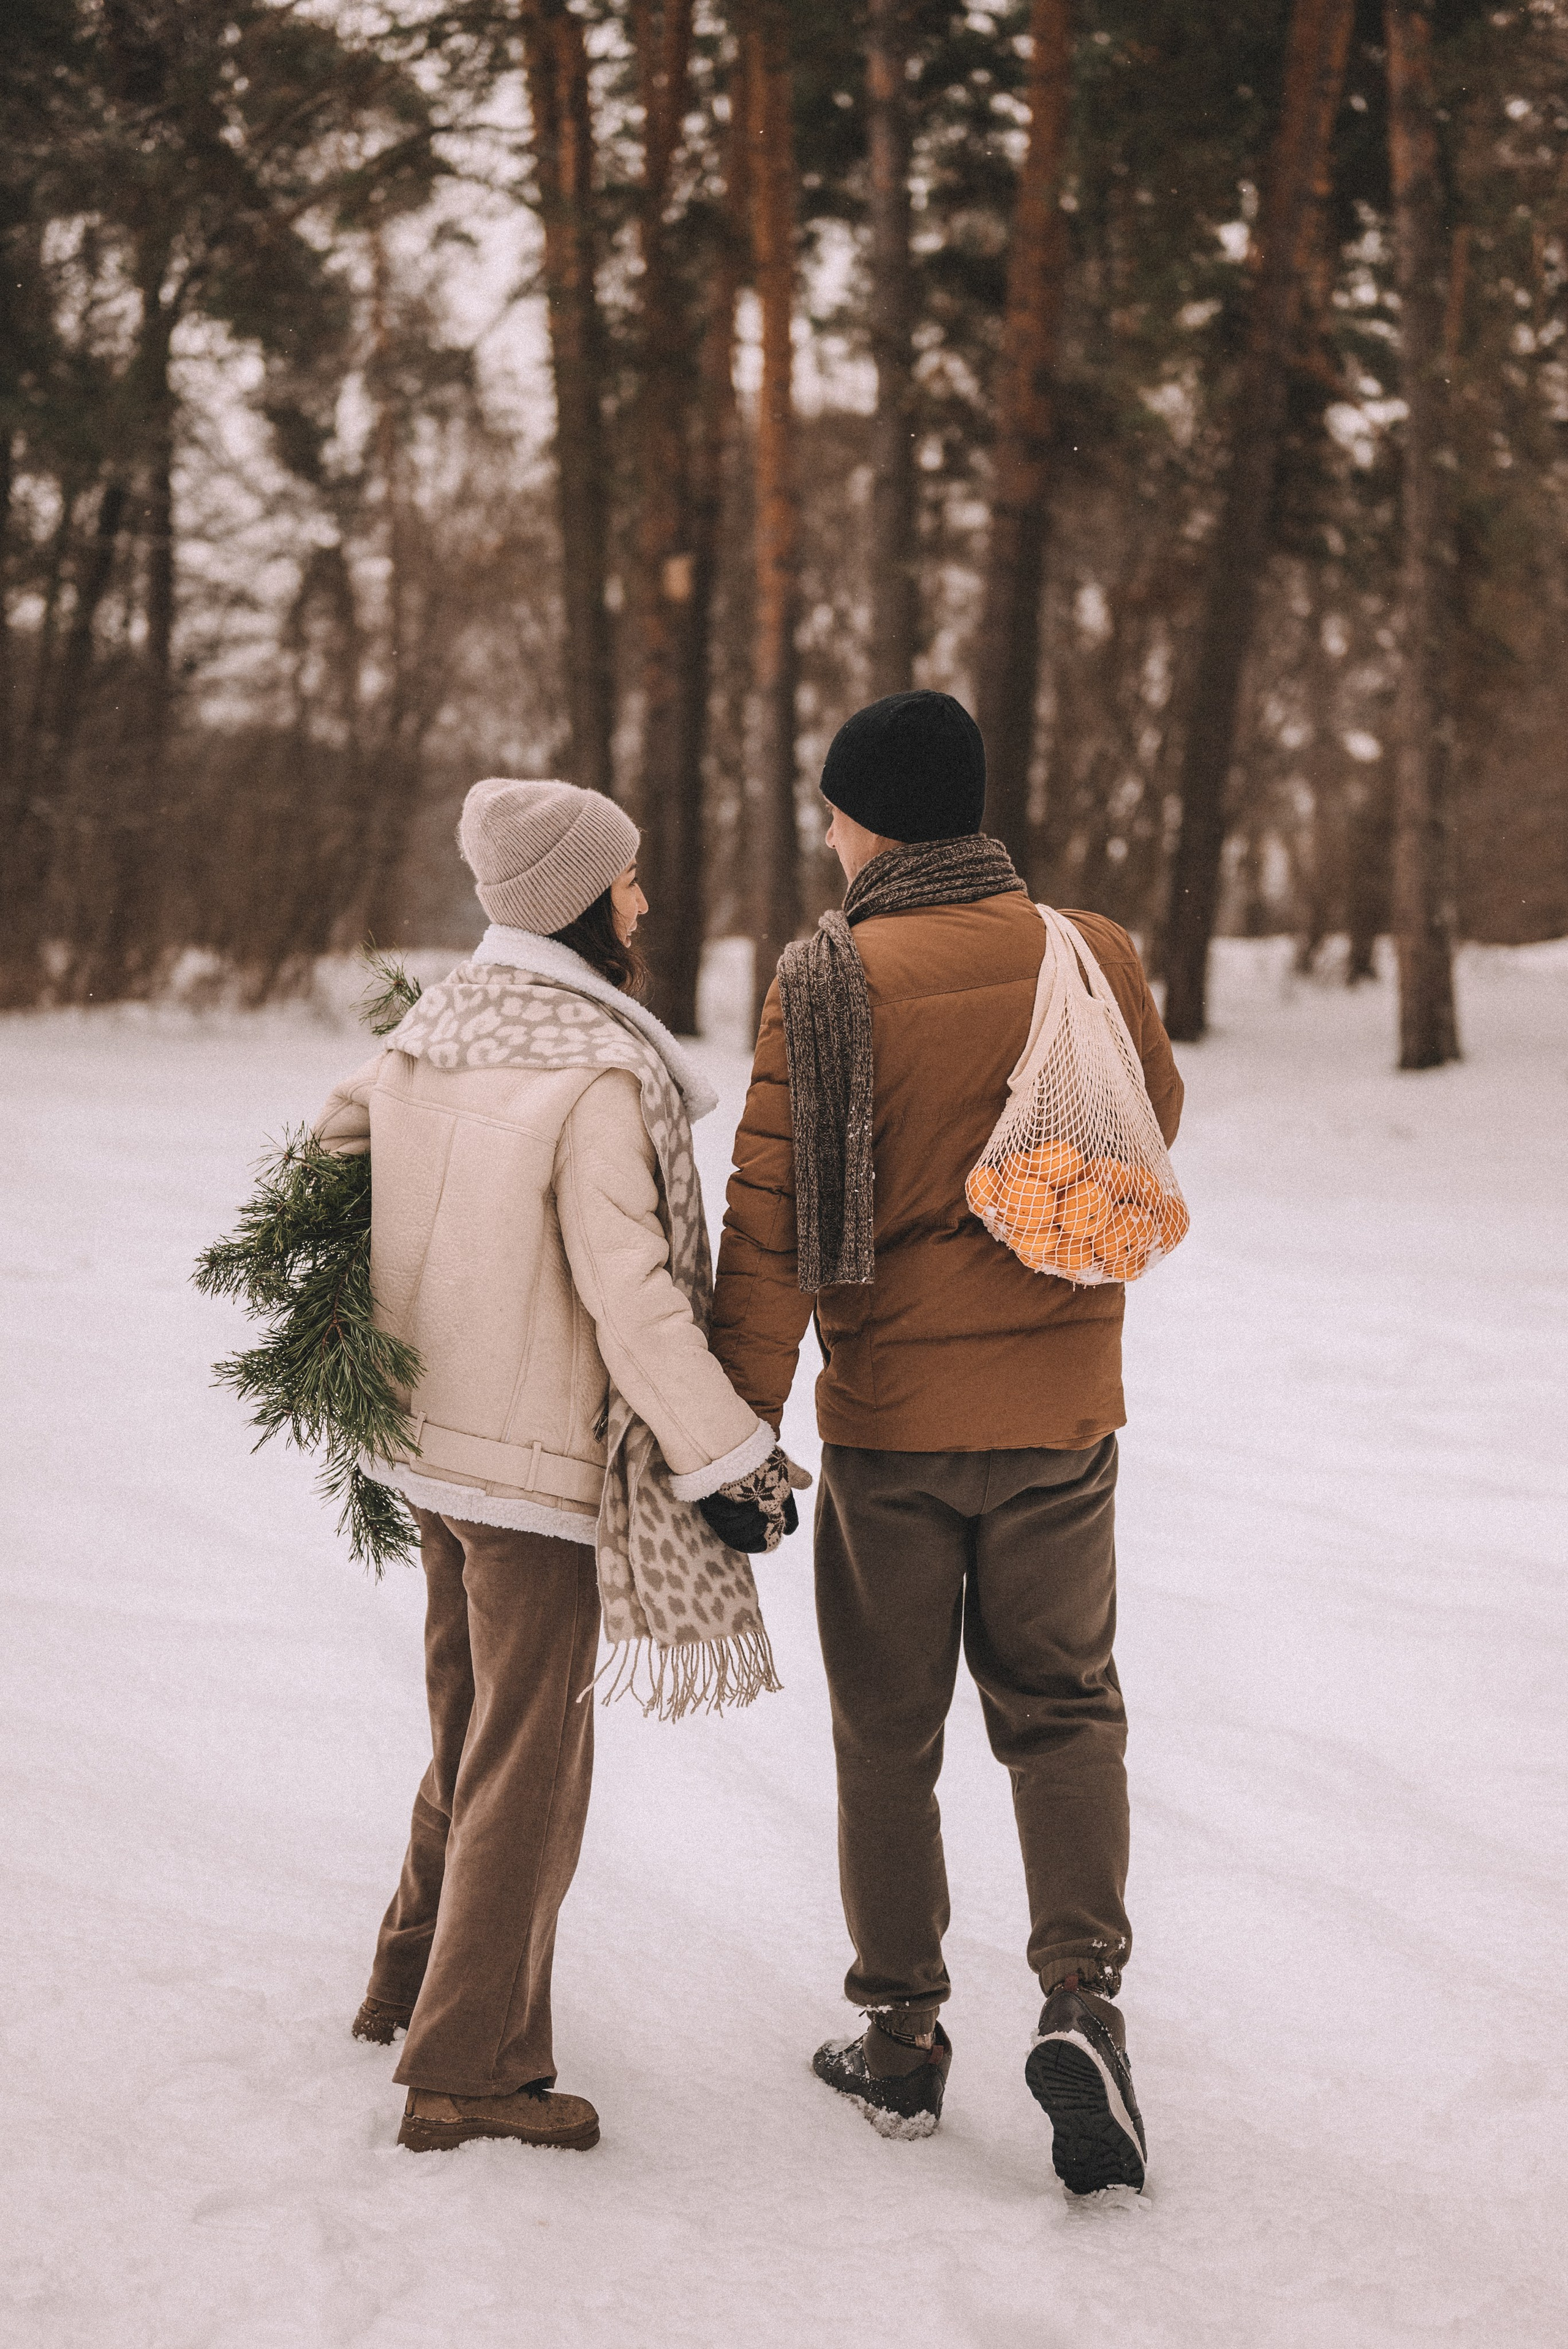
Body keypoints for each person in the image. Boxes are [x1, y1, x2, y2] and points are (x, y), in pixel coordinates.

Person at [710, 690, 1183, 2194]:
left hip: (893, 1429)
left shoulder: (826, 976)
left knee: (886, 1732)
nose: (828, 837)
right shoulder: (1087, 950)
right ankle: (1080, 1998)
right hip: (1059, 1410)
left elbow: (771, 1220)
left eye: (836, 810)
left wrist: (736, 1431)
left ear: (875, 816)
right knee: (1060, 1708)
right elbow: (1145, 1119)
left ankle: (903, 2035)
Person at [314, 777, 793, 2155]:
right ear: (583, 899)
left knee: (472, 1730)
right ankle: (470, 2068)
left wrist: (409, 1275)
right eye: (628, 878)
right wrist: (733, 1463)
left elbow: (329, 1149)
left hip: (433, 1453)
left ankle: (407, 1982)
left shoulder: (439, 1030)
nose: (642, 898)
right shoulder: (589, 1067)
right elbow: (633, 1300)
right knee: (532, 1762)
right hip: (530, 1479)